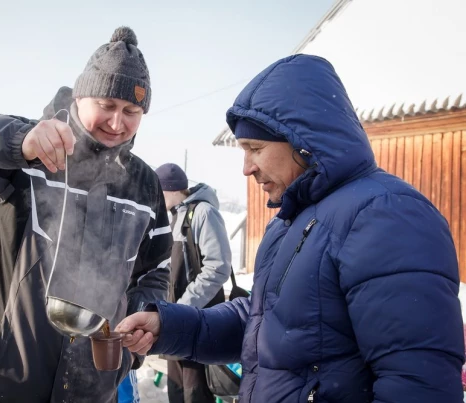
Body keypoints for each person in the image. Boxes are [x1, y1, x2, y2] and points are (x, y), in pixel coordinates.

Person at [116, 54, 465, 403]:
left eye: (255, 148)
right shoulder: (292, 221)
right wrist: (172, 326)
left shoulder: (386, 215)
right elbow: (266, 323)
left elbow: (418, 384)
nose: (246, 168)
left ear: (302, 141)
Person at [0, 26, 172, 403]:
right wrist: (16, 141)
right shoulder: (28, 154)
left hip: (95, 388)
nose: (118, 123)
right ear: (81, 97)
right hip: (6, 382)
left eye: (131, 111)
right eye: (107, 106)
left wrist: (143, 313)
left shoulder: (145, 185)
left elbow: (155, 271)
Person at [154, 163, 231, 403]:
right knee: (177, 392)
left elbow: (218, 267)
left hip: (197, 321)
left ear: (171, 189)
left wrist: (185, 306)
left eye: (158, 192)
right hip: (174, 323)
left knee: (194, 394)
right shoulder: (174, 216)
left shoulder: (203, 213)